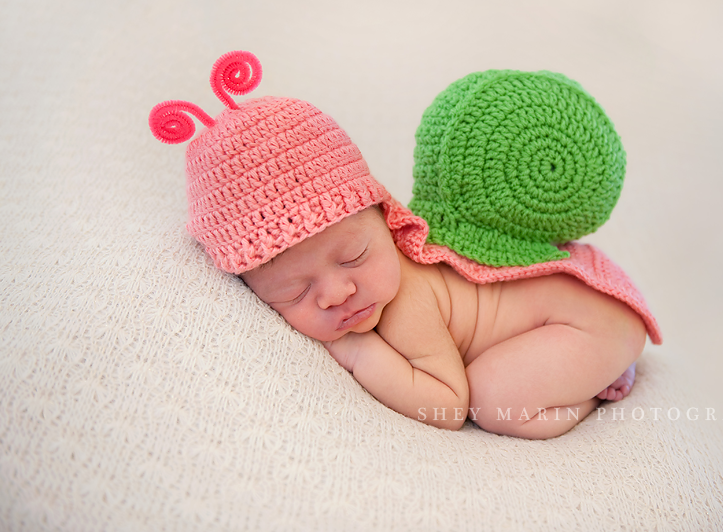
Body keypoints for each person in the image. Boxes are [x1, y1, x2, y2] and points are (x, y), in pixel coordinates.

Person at [150, 51, 662, 440]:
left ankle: (592, 390)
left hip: (592, 321)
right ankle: (587, 368)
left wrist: (357, 354)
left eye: (355, 256)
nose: (336, 294)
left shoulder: (405, 305)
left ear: (388, 217)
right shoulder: (363, 281)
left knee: (492, 400)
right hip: (576, 316)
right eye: (292, 291)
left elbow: (445, 405)